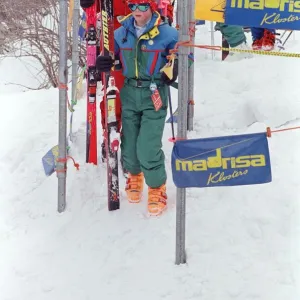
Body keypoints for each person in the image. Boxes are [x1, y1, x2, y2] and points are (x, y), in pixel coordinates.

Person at [96, 0, 178, 216]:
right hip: (130, 93)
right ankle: (134, 175)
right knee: (129, 145)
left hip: (154, 94)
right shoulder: (121, 33)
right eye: (132, 6)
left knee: (147, 147)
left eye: (142, 6)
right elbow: (118, 62)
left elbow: (185, 58)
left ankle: (157, 188)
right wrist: (107, 62)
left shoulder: (168, 34)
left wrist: (174, 66)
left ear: (152, 7)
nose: (136, 12)